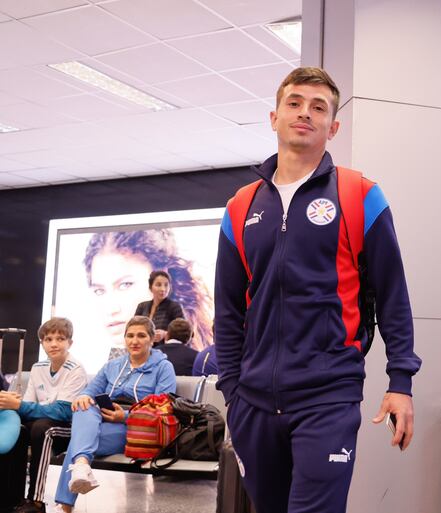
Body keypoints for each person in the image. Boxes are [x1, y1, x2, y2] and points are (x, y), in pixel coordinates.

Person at [214, 66, 421, 513]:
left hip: (328, 396)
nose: (304, 113)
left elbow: (394, 298)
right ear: (274, 117)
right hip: (252, 402)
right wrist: (232, 389)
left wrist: (400, 381)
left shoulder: (360, 195)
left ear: (334, 125)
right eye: (294, 103)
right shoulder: (240, 207)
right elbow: (229, 310)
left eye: (318, 107)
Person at [53, 316, 176, 513]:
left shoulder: (163, 367)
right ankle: (82, 466)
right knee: (84, 406)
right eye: (130, 335)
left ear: (152, 339)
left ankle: (66, 504)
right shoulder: (113, 365)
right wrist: (83, 396)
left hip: (136, 428)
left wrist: (125, 416)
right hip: (101, 419)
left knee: (79, 442)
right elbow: (90, 390)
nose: (134, 341)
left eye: (141, 336)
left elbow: (164, 407)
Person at [0, 318, 87, 513]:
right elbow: (28, 407)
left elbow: (63, 412)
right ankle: (11, 497)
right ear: (42, 343)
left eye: (60, 338)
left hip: (68, 429)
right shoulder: (38, 368)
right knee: (19, 430)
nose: (54, 343)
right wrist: (13, 405)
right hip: (43, 423)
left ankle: (36, 501)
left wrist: (21, 406)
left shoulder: (76, 370)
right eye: (48, 339)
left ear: (69, 343)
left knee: (42, 429)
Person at [84, 229, 213, 352]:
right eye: (99, 291)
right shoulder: (115, 361)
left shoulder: (191, 358)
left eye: (125, 285)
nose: (111, 310)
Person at [134, 270, 185, 345]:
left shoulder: (174, 307)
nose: (163, 289)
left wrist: (165, 334)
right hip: (143, 349)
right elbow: (133, 328)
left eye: (166, 285)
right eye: (158, 285)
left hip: (164, 352)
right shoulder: (142, 306)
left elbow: (183, 332)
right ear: (150, 287)